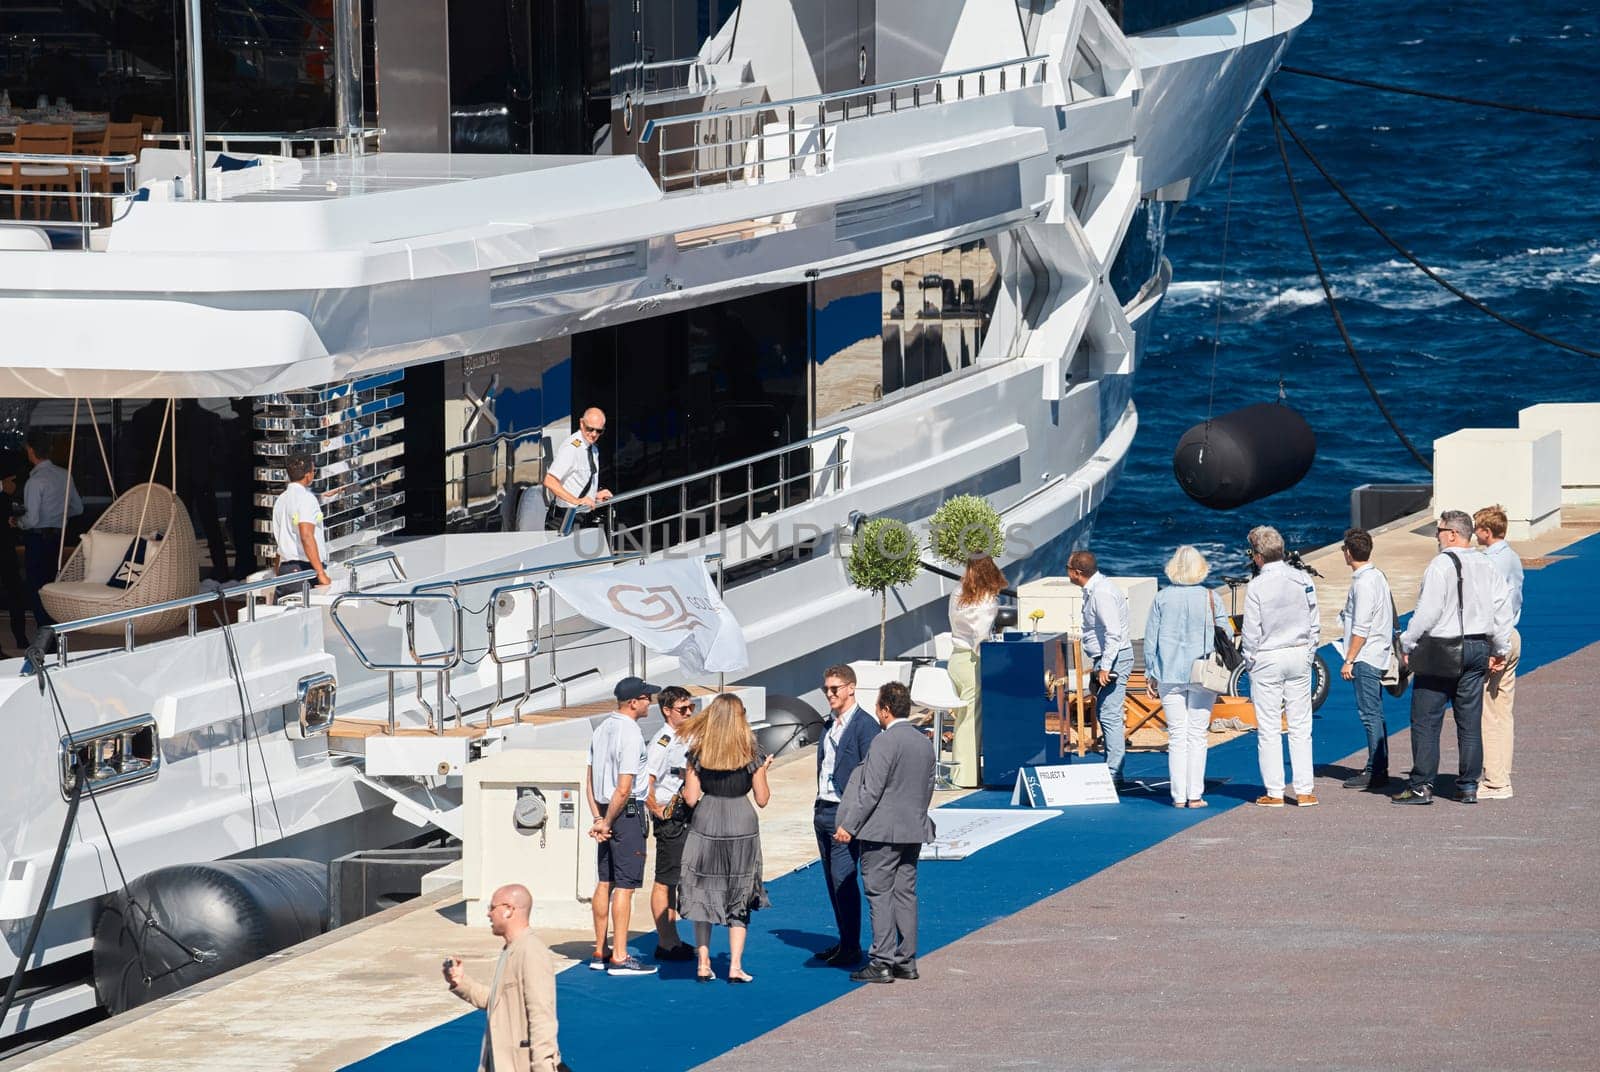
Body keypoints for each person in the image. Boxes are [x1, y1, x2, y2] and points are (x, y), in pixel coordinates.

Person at [1393, 510, 1514, 805]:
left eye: (1439, 531)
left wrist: (1407, 643)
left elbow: (1428, 612)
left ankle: (1422, 785)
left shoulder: (1441, 565)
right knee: (1469, 720)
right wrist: (1499, 648)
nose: (1437, 536)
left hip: (1441, 649)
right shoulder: (1487, 564)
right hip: (1477, 647)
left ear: (1452, 534)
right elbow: (1501, 608)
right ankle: (1468, 785)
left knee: (1426, 719)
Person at [835, 681, 936, 984]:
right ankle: (906, 960)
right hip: (913, 829)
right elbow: (927, 786)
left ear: (885, 709)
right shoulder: (924, 742)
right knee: (906, 893)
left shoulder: (884, 742)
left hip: (881, 832)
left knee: (879, 893)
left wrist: (848, 826)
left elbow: (871, 790)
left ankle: (881, 960)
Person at [678, 693, 773, 984]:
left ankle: (704, 963)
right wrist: (763, 771)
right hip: (741, 820)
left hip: (708, 818)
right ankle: (735, 966)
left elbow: (691, 798)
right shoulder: (750, 751)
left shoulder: (698, 752)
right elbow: (763, 798)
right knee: (739, 891)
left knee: (704, 888)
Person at [443, 883, 567, 1072]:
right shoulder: (510, 950)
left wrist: (543, 1066)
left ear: (509, 910)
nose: (488, 914)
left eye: (492, 908)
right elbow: (498, 1002)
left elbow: (542, 1016)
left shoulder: (531, 952)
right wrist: (460, 982)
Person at [584, 675, 659, 975]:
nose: (649, 702)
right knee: (625, 887)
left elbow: (589, 780)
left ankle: (600, 949)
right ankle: (620, 956)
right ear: (633, 703)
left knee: (605, 881)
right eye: (645, 698)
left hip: (605, 810)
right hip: (625, 815)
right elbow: (625, 787)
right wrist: (609, 823)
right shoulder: (630, 734)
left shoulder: (601, 729)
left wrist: (598, 818)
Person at [1242, 525, 1320, 808]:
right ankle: (1304, 790)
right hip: (1299, 653)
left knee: (1269, 727)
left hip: (1268, 655)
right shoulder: (1302, 578)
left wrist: (1250, 660)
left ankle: (1275, 791)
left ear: (1259, 557)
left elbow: (1251, 630)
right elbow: (1314, 620)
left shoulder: (1257, 586)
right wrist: (1310, 651)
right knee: (1301, 725)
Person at [1144, 546, 1228, 808]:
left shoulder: (1162, 598)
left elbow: (1151, 640)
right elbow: (1224, 633)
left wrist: (1151, 672)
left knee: (1177, 734)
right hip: (1203, 672)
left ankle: (1178, 796)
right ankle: (1195, 794)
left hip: (1169, 672)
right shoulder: (1211, 597)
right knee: (1198, 734)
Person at [811, 664, 880, 968]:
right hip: (823, 807)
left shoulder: (865, 726)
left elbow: (872, 772)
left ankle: (852, 945)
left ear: (851, 688)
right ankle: (844, 939)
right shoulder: (829, 725)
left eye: (835, 688)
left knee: (843, 879)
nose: (829, 694)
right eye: (826, 689)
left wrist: (855, 818)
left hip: (845, 811)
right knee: (830, 879)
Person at [1067, 550, 1133, 785]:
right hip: (1106, 658)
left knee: (1110, 715)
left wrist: (1105, 667)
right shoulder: (1096, 589)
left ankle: (1114, 772)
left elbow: (1113, 633)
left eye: (1068, 569)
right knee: (1106, 714)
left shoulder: (1101, 593)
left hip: (1113, 659)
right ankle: (1113, 768)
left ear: (1077, 573)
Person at [1337, 528, 1395, 791]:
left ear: (1349, 553)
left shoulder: (1362, 583)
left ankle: (1375, 770)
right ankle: (1378, 765)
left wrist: (1349, 659)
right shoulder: (1377, 576)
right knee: (1375, 713)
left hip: (1366, 657)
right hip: (1378, 652)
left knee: (1369, 714)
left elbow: (1361, 627)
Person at [644, 685, 697, 961]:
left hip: (683, 813)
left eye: (691, 708)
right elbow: (647, 780)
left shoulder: (683, 736)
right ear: (667, 711)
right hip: (670, 816)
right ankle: (665, 941)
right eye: (682, 709)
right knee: (665, 879)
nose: (688, 713)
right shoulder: (662, 741)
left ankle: (673, 938)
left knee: (675, 877)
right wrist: (657, 810)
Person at [1475, 505, 1523, 800]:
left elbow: (1491, 605)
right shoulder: (1513, 557)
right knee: (1503, 711)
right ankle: (1501, 774)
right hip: (1513, 633)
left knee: (1490, 713)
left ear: (1486, 532)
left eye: (1478, 528)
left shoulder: (1490, 562)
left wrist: (1496, 649)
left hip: (1498, 638)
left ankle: (1495, 781)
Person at [946, 554, 1006, 788]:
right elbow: (981, 636)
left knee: (964, 717)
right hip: (973, 661)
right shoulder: (987, 599)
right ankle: (967, 776)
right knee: (972, 719)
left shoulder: (957, 593)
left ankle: (962, 773)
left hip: (956, 659)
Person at [14, 429, 83, 632]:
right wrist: (58, 515)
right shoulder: (64, 474)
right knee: (54, 586)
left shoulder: (35, 481)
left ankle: (46, 635)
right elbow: (78, 508)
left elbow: (32, 519)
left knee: (37, 589)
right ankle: (57, 632)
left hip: (38, 540)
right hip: (59, 540)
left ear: (30, 450)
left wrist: (17, 522)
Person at [543, 408, 613, 532]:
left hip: (582, 516)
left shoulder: (593, 449)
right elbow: (550, 481)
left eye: (599, 431)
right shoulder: (572, 448)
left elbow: (577, 482)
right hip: (565, 518)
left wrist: (594, 496)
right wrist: (577, 501)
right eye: (590, 429)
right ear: (581, 423)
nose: (593, 434)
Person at [270, 454, 330, 591]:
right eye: (314, 471)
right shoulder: (306, 499)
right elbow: (306, 535)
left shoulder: (281, 500)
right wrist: (320, 573)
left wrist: (277, 570)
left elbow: (282, 538)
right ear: (308, 475)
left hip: (285, 570)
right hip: (305, 570)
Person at [0, 454, 32, 655]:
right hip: (5, 543)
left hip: (6, 544)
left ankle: (21, 637)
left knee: (15, 592)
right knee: (14, 591)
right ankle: (20, 638)